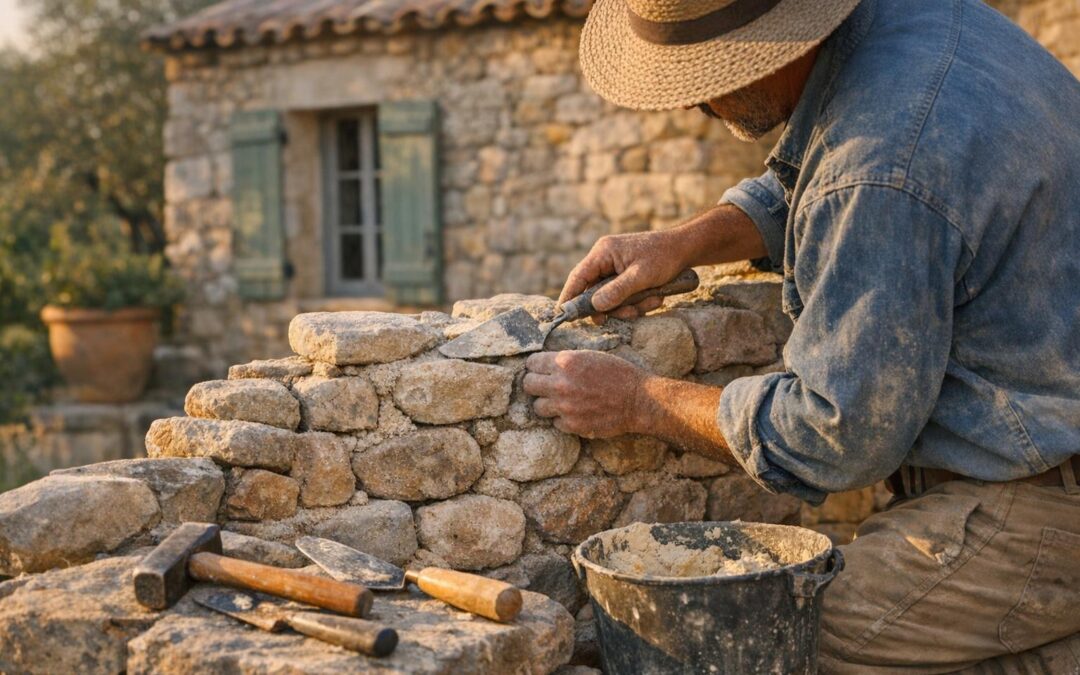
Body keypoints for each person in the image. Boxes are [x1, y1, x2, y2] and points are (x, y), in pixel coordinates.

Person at [522, 0, 1080, 671]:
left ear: (776, 47)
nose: (692, 106)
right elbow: (820, 185)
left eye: (705, 79)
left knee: (767, 636)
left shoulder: (878, 156)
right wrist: (684, 241)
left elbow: (835, 430)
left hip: (1042, 504)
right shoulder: (911, 27)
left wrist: (640, 400)